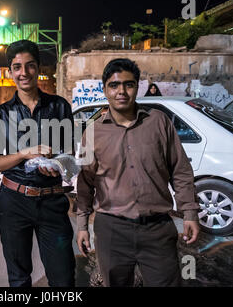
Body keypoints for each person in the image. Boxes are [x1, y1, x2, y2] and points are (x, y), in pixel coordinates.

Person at [76, 58, 200, 287]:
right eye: (114, 85)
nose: (121, 91)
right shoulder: (92, 133)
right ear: (105, 89)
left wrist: (189, 212)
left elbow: (181, 170)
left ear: (137, 87)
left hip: (157, 229)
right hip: (111, 230)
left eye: (128, 84)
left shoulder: (159, 122)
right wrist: (82, 226)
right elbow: (85, 183)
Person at [0, 40, 76, 287]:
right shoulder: (1, 114)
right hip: (14, 203)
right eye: (17, 67)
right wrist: (23, 154)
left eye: (29, 66)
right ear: (10, 71)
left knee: (63, 277)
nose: (23, 73)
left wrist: (56, 164)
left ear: (38, 68)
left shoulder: (59, 106)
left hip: (52, 202)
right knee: (18, 277)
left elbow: (69, 154)